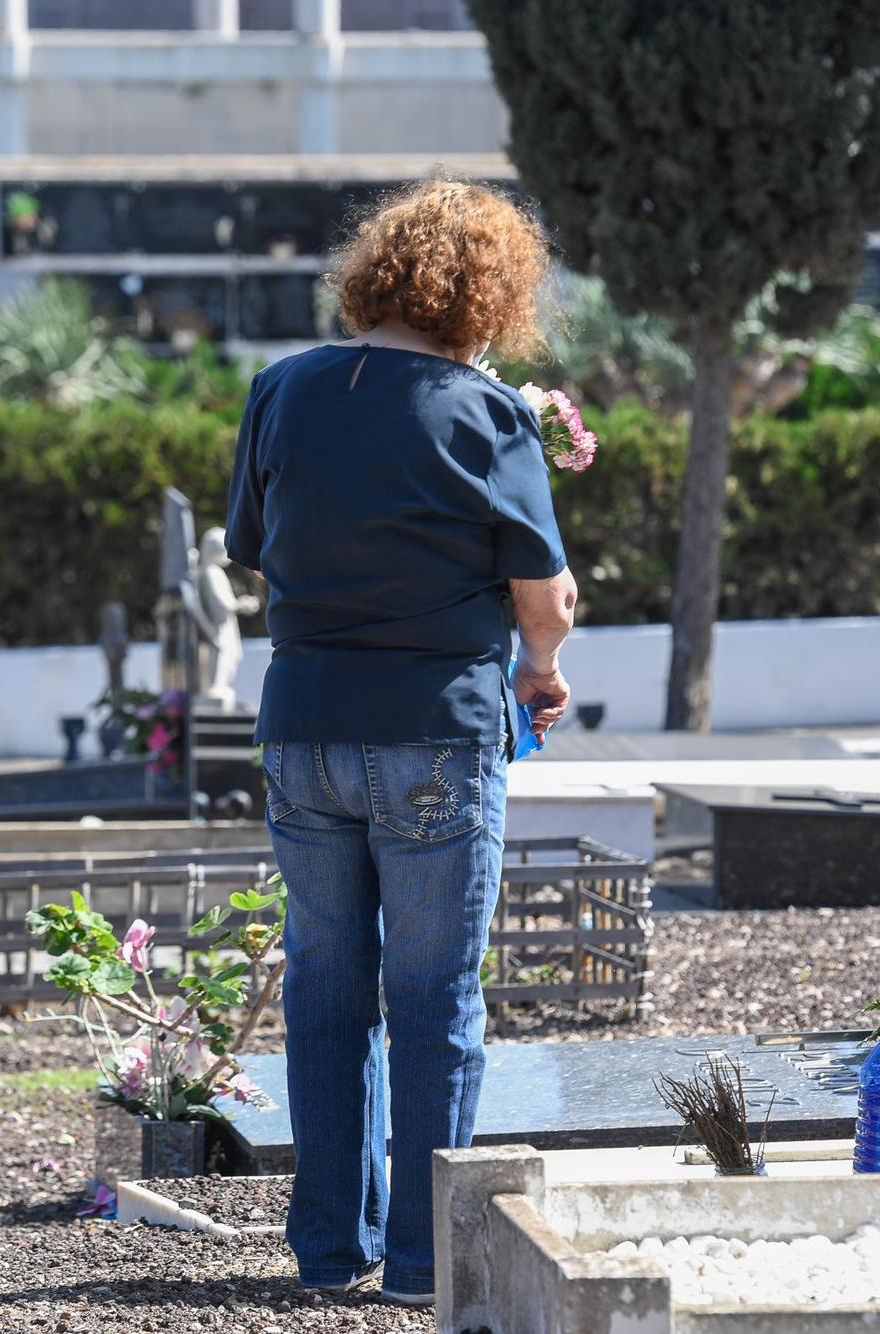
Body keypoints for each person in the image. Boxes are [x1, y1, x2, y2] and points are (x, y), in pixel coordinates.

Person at [224, 179, 576, 1305]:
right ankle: (425, 1261)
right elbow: (543, 591)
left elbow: (250, 546)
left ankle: (328, 1247)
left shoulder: (279, 389)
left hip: (303, 728)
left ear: (372, 274)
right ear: (486, 293)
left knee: (325, 991)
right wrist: (541, 668)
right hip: (434, 726)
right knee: (434, 998)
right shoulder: (486, 411)